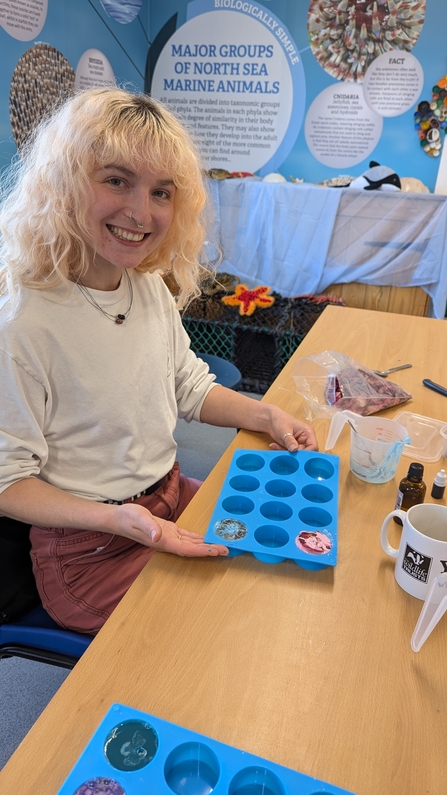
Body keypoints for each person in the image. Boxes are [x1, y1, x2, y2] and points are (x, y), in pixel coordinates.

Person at [0, 87, 318, 635]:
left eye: (162, 192)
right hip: (89, 551)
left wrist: (266, 416)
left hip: (165, 497)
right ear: (65, 180)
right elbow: (8, 483)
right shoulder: (23, 322)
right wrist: (118, 520)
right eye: (117, 180)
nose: (140, 213)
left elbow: (188, 385)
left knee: (282, 563)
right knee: (229, 623)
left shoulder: (144, 286)